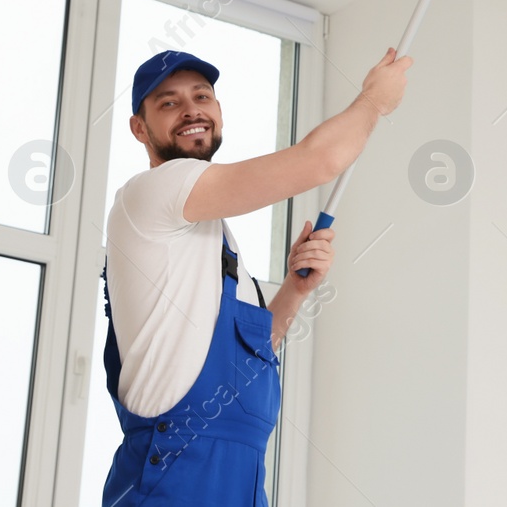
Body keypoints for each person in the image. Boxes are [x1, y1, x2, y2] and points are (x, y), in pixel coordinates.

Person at [100, 45, 412, 506]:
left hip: (241, 483)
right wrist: (373, 101)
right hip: (173, 479)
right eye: (168, 102)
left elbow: (251, 360)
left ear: (219, 112)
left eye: (202, 97)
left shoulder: (213, 238)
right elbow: (319, 161)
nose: (191, 110)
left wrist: (294, 290)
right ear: (139, 128)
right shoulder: (155, 192)